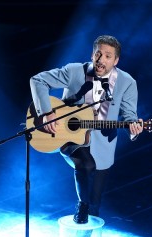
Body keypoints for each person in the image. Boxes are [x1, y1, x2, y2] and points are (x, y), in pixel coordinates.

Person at [30, 35, 143, 224]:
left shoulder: (127, 82)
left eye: (108, 56)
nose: (101, 60)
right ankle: (81, 204)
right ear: (92, 55)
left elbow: (130, 115)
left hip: (103, 145)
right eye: (98, 54)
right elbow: (38, 80)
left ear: (116, 61)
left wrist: (134, 128)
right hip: (70, 138)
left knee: (95, 206)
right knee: (86, 165)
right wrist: (46, 112)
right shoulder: (75, 71)